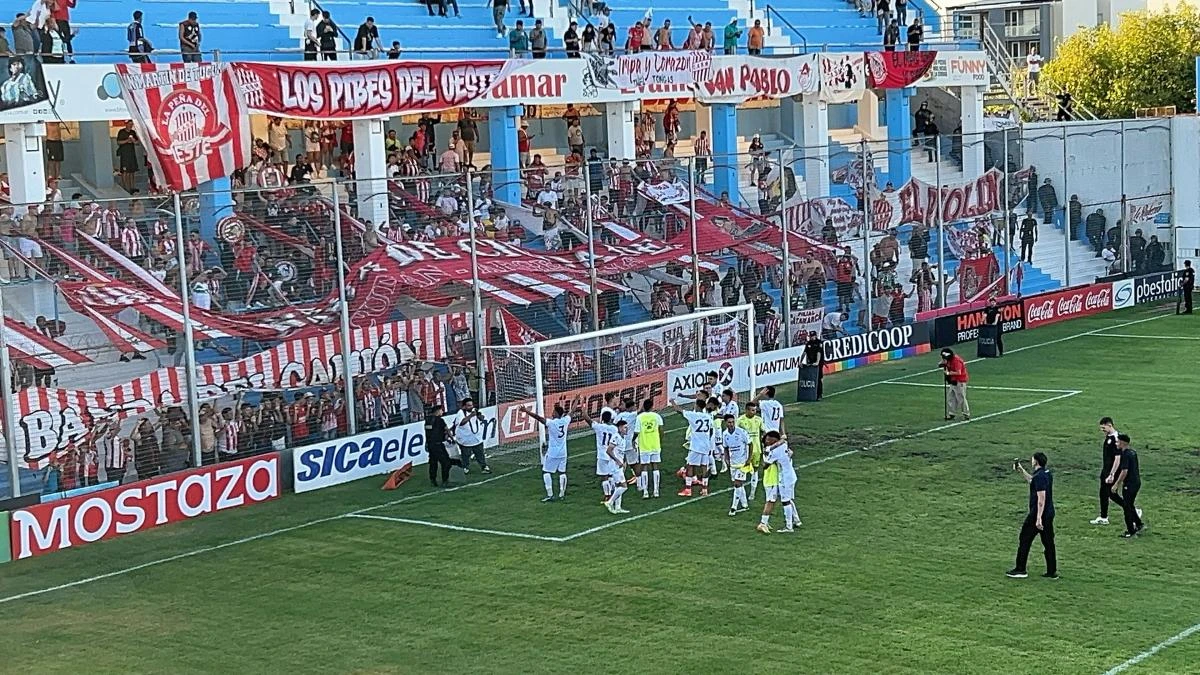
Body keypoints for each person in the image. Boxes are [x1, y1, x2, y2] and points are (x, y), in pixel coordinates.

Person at [1008, 452, 1057, 579]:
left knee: (1024, 539)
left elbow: (1041, 498)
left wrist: (1038, 518)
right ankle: (1052, 572)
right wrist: (1021, 470)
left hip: (1038, 514)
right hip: (1049, 513)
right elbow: (1032, 480)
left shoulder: (1040, 477)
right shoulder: (1045, 474)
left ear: (1036, 461)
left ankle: (1020, 569)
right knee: (1048, 543)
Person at [671, 398, 716, 498]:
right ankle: (704, 489)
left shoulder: (693, 415)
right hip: (706, 446)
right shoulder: (708, 417)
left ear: (697, 406)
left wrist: (672, 402)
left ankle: (688, 489)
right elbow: (711, 430)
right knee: (705, 467)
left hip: (696, 446)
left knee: (690, 465)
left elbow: (679, 410)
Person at [756, 431, 799, 534]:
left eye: (768, 439)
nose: (767, 441)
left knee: (785, 501)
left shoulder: (774, 452)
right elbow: (783, 442)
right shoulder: (784, 444)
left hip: (784, 478)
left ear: (773, 439)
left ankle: (788, 526)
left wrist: (768, 451)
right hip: (791, 475)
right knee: (787, 500)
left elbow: (766, 465)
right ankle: (796, 520)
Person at [528, 404, 571, 502]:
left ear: (556, 413)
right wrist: (577, 400)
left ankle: (550, 495)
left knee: (546, 472)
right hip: (563, 452)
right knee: (562, 472)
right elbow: (571, 412)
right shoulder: (565, 420)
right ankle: (562, 494)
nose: (552, 413)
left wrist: (527, 412)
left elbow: (538, 418)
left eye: (553, 411)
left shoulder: (551, 423)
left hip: (553, 453)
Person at [1107, 433, 1145, 538]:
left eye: (1118, 441)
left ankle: (1130, 531)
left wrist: (1116, 484)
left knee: (1127, 508)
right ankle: (1138, 523)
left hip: (1129, 484)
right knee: (1130, 505)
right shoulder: (1132, 453)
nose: (1116, 443)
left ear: (1123, 443)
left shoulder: (1125, 455)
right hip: (1136, 482)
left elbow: (1124, 471)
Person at [1090, 416, 1121, 525]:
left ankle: (1133, 509)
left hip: (1112, 471)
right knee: (1103, 493)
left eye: (1104, 428)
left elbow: (1118, 458)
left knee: (1111, 494)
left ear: (1110, 425)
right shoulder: (1109, 436)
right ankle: (1104, 517)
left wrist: (1112, 474)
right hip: (1106, 470)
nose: (1102, 430)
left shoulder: (1116, 438)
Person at [720, 414, 752, 516]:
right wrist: (726, 459)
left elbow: (750, 444)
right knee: (738, 485)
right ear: (726, 423)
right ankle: (745, 505)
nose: (732, 424)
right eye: (729, 422)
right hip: (733, 464)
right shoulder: (724, 434)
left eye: (733, 422)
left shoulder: (741, 432)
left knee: (737, 484)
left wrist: (749, 458)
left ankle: (733, 507)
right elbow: (725, 448)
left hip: (743, 463)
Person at [633, 398, 664, 499]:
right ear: (652, 406)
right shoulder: (657, 416)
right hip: (655, 445)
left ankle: (645, 492)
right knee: (655, 466)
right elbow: (661, 430)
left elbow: (637, 432)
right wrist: (659, 440)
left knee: (644, 467)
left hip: (644, 445)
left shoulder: (640, 417)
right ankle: (656, 491)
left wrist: (633, 440)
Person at [449, 397, 490, 474]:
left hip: (476, 438)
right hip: (465, 439)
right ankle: (465, 467)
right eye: (468, 405)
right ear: (464, 406)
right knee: (466, 455)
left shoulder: (475, 410)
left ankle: (484, 467)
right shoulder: (460, 413)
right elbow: (462, 422)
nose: (471, 407)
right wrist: (471, 415)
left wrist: (479, 415)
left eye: (471, 405)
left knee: (480, 454)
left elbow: (482, 418)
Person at [737, 400, 764, 501]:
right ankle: (741, 494)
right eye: (753, 410)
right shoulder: (740, 420)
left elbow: (763, 432)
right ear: (747, 410)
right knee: (742, 471)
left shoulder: (759, 420)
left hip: (756, 450)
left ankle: (752, 493)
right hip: (744, 451)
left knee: (755, 471)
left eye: (755, 410)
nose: (755, 412)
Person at [424, 403, 455, 487]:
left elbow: (431, 432)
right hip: (438, 444)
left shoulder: (428, 420)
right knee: (446, 462)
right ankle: (445, 480)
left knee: (433, 462)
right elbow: (446, 430)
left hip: (431, 445)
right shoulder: (440, 420)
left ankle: (433, 480)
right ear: (437, 411)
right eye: (441, 410)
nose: (442, 412)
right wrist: (452, 439)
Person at [939, 348, 970, 420]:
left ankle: (966, 414)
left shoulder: (956, 361)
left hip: (960, 381)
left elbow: (958, 372)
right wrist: (942, 363)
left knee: (961, 398)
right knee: (951, 397)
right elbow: (941, 363)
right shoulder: (948, 360)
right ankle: (951, 413)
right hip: (953, 381)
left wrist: (948, 373)